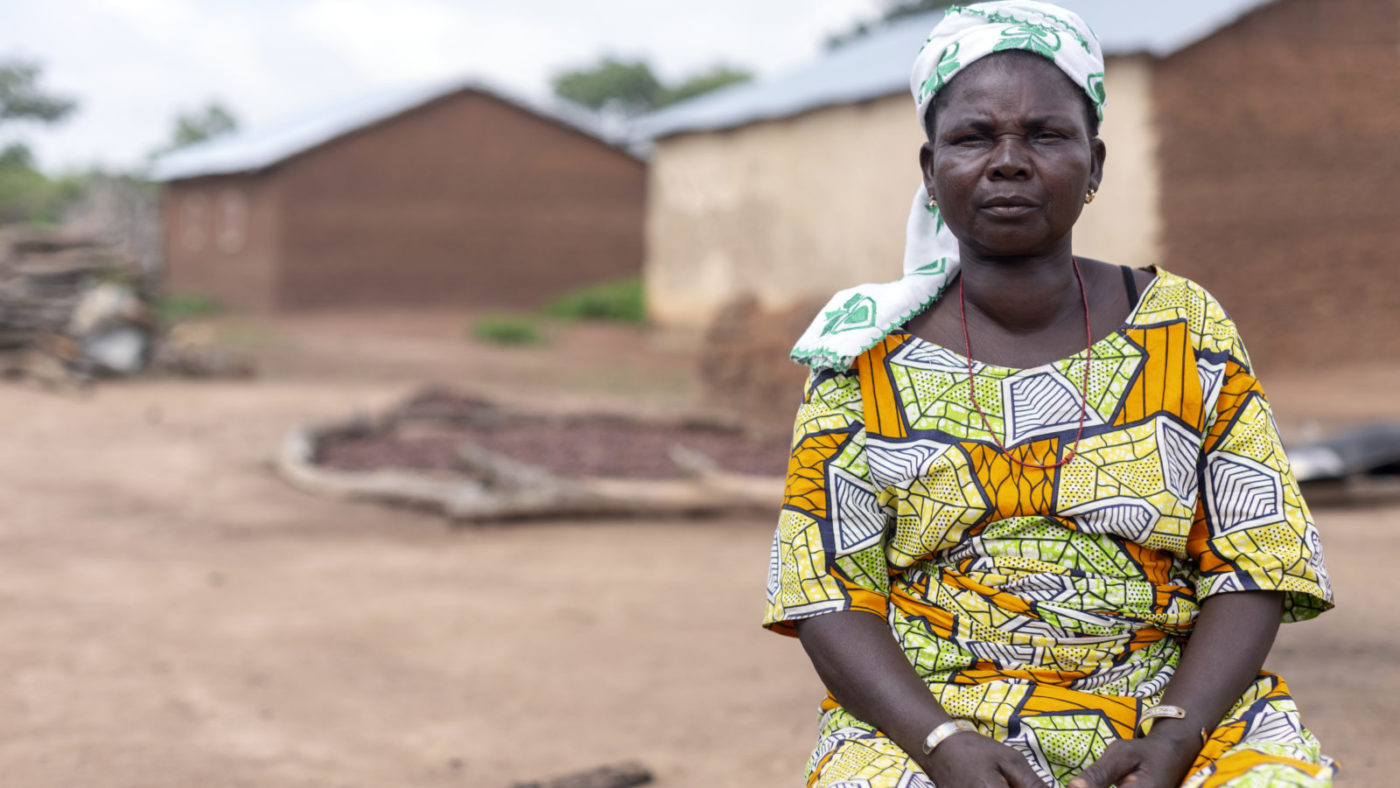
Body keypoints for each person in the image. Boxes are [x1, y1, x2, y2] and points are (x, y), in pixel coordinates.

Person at [763, 3, 1336, 787]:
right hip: (932, 718)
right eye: (974, 137)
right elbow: (826, 590)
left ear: (1094, 164)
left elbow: (1254, 558)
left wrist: (1173, 738)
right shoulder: (860, 353)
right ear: (930, 170)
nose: (1009, 161)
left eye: (1044, 134)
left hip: (1171, 709)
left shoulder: (1185, 326)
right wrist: (940, 745)